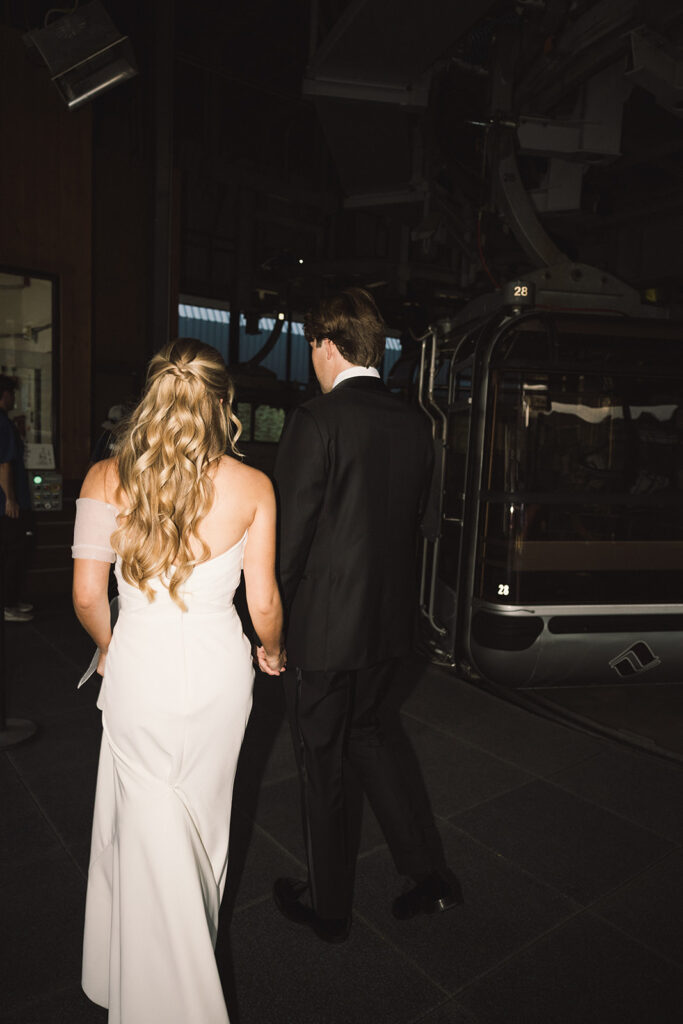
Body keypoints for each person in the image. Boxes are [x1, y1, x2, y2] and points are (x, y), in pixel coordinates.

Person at [72, 339, 286, 1024]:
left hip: (139, 672)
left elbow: (84, 597)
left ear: (151, 396)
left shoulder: (104, 478)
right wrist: (274, 652)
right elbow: (262, 606)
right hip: (220, 680)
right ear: (224, 404)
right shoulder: (253, 487)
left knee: (139, 824)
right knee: (201, 820)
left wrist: (113, 646)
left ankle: (138, 976)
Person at [270, 288, 458, 944]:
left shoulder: (316, 421)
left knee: (321, 761)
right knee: (374, 739)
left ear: (325, 342)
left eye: (309, 345)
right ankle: (428, 876)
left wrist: (265, 630)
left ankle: (328, 907)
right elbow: (425, 526)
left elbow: (287, 544)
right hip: (390, 629)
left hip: (323, 632)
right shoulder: (416, 423)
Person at [0, 374, 34, 622]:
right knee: (13, 553)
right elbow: (4, 464)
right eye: (12, 394)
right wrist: (10, 498)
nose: (14, 399)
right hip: (8, 504)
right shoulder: (2, 422)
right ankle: (8, 605)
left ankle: (11, 601)